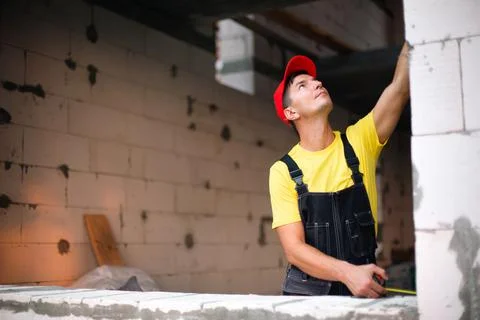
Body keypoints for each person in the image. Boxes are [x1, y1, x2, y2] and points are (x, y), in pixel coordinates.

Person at [269, 43, 410, 298]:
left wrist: (417, 32)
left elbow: (399, 88)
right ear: (291, 112)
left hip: (363, 291)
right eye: (303, 85)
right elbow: (294, 249)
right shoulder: (283, 171)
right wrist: (347, 273)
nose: (317, 83)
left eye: (315, 80)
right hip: (306, 299)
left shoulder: (360, 141)